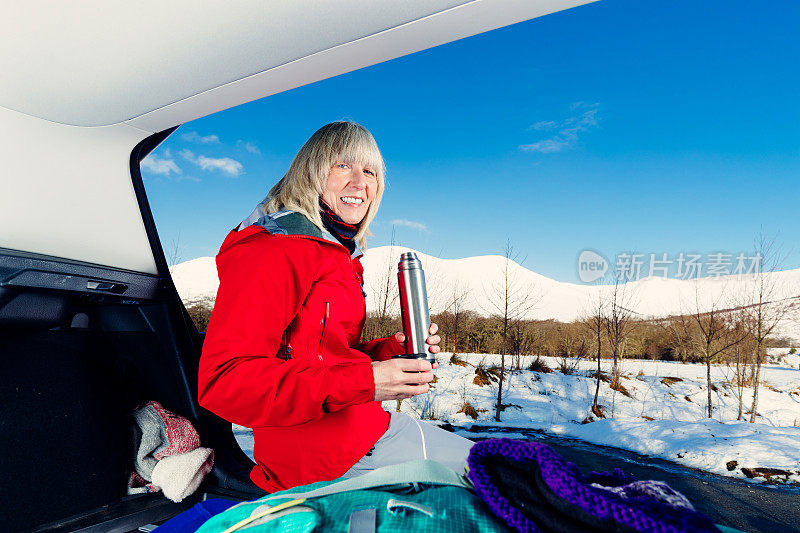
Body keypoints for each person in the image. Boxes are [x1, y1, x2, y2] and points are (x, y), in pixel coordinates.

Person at [198, 121, 472, 493]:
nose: (360, 182)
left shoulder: (337, 253)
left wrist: (392, 351)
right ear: (310, 172)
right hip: (323, 467)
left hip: (370, 433)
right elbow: (225, 382)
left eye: (370, 171)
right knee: (505, 493)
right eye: (343, 165)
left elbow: (324, 358)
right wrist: (368, 381)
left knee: (515, 472)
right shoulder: (273, 250)